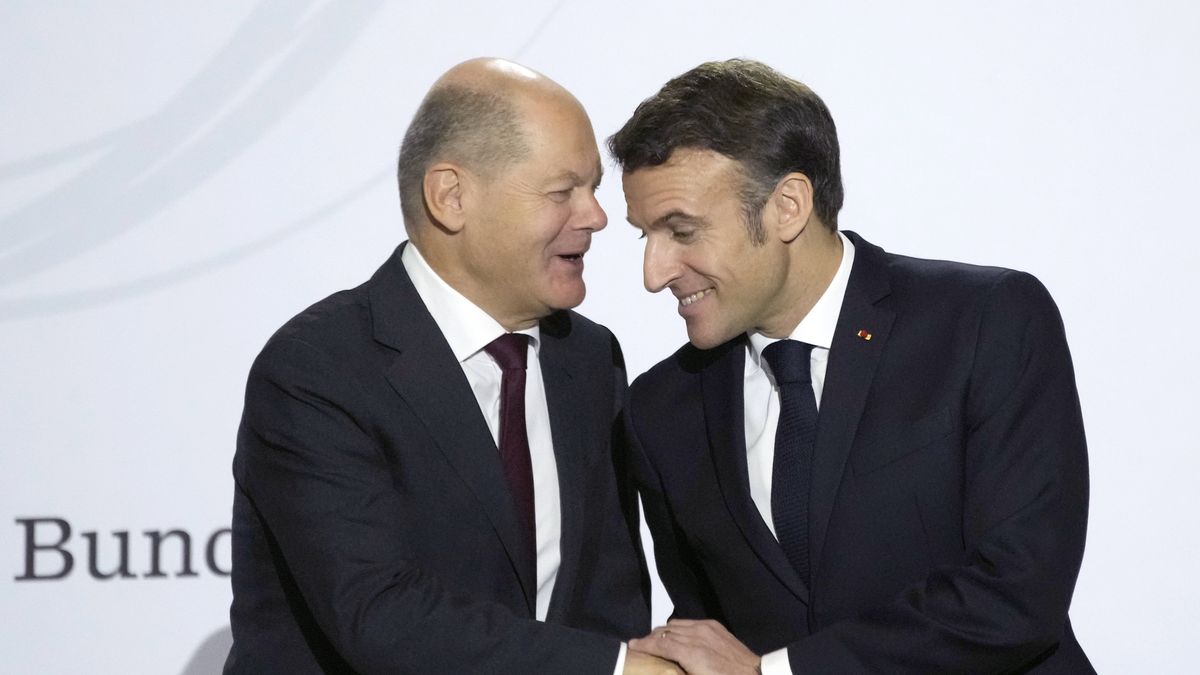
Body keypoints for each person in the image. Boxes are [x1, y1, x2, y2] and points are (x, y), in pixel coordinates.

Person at [611, 59, 1094, 674]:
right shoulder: (660, 408)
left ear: (788, 205)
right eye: (644, 236)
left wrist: (779, 673)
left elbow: (1018, 593)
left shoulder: (985, 322)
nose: (654, 275)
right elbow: (709, 639)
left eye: (681, 231)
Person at [225, 58, 680, 674]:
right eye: (562, 191)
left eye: (593, 188)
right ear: (451, 197)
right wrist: (617, 670)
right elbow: (380, 616)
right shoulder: (318, 370)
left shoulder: (588, 358)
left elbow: (608, 595)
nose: (596, 216)